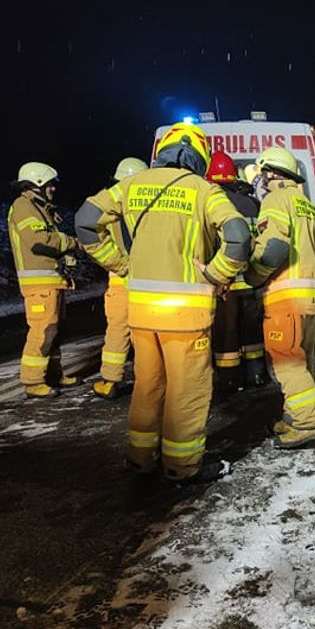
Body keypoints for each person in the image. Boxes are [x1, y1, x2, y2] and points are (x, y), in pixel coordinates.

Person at [75, 122, 251, 484]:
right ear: (199, 156)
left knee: (147, 386)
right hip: (186, 317)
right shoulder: (204, 191)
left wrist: (120, 264)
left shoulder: (130, 185)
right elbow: (238, 237)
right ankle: (182, 467)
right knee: (187, 392)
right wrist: (217, 274)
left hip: (141, 313)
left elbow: (85, 222)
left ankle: (140, 458)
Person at [244, 146, 315, 449]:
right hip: (308, 298)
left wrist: (252, 276)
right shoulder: (307, 205)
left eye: (262, 173)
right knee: (303, 362)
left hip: (284, 298)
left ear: (271, 173)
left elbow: (274, 249)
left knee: (287, 364)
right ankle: (294, 417)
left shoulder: (275, 200)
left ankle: (307, 423)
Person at [7, 161, 82, 398]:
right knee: (43, 330)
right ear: (37, 184)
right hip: (38, 286)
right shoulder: (23, 206)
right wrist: (71, 243)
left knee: (55, 331)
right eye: (49, 185)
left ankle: (53, 374)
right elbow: (39, 241)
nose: (53, 189)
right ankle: (32, 381)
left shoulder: (39, 207)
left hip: (51, 282)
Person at [205, 151, 268, 392]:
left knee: (226, 334)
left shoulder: (212, 203)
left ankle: (230, 380)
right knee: (252, 331)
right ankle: (256, 374)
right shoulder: (252, 203)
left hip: (226, 283)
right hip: (250, 281)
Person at [91, 156, 147, 400]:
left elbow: (91, 235)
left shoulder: (108, 206)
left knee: (119, 331)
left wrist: (117, 263)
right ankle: (145, 380)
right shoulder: (142, 205)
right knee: (141, 332)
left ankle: (111, 380)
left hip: (124, 279)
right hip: (139, 280)